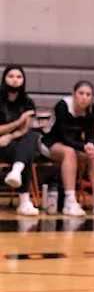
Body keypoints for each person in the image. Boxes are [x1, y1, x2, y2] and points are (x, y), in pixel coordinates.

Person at [43, 80, 94, 216]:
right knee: (69, 153)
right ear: (74, 94)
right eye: (81, 93)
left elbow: (91, 135)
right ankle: (70, 201)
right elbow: (63, 137)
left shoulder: (93, 109)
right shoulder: (63, 106)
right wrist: (84, 146)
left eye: (88, 94)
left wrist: (90, 145)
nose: (84, 97)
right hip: (50, 142)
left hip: (74, 145)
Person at [0, 65, 40, 215]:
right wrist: (18, 122)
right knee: (26, 153)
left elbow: (25, 129)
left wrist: (10, 136)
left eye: (19, 77)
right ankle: (24, 201)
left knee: (31, 137)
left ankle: (16, 171)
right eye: (11, 76)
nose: (15, 80)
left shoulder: (27, 101)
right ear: (4, 78)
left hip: (14, 143)